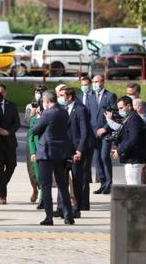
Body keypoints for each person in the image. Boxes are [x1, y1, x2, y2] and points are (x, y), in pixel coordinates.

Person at [31, 90, 75, 226]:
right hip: (60, 152)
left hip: (46, 152)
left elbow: (35, 130)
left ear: (47, 101)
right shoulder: (63, 112)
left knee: (46, 185)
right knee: (62, 184)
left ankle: (49, 216)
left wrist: (38, 117)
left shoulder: (47, 113)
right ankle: (68, 215)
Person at [58, 87, 94, 217]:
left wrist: (79, 150)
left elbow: (84, 131)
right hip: (64, 149)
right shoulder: (62, 109)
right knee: (62, 178)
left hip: (77, 149)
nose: (60, 98)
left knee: (77, 178)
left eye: (62, 95)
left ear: (69, 97)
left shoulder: (80, 109)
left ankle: (78, 207)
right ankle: (61, 207)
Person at [0, 83, 20, 205]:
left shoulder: (11, 105)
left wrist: (8, 131)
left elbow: (17, 123)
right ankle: (3, 194)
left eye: (1, 92)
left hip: (10, 142)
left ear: (5, 93)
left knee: (12, 165)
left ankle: (2, 185)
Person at [89, 75, 117, 195]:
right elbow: (89, 115)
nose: (96, 84)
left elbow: (114, 113)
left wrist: (105, 128)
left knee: (104, 156)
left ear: (103, 82)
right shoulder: (91, 97)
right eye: (94, 82)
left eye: (98, 81)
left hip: (106, 133)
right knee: (96, 160)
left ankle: (109, 183)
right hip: (94, 133)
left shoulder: (110, 96)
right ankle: (102, 182)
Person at [111, 96, 146, 185]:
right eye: (118, 109)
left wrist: (119, 150)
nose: (120, 111)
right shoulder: (129, 118)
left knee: (133, 186)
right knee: (133, 185)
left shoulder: (133, 118)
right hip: (131, 159)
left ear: (129, 106)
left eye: (121, 108)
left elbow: (133, 139)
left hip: (133, 160)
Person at [25, 85, 46, 207]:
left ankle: (43, 194)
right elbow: (27, 121)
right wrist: (32, 113)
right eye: (37, 91)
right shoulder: (30, 106)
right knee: (32, 169)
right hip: (33, 140)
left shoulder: (48, 104)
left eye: (41, 91)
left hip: (44, 142)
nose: (38, 93)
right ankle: (35, 189)